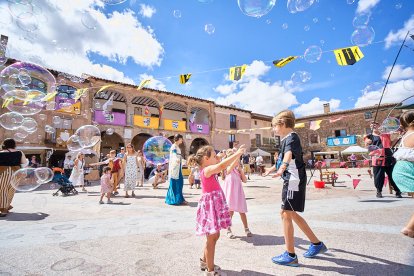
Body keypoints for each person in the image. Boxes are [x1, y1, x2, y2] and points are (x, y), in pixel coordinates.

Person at [264, 110, 327, 266]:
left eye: (274, 126)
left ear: (283, 124)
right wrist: (272, 169)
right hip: (292, 179)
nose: (273, 130)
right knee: (289, 213)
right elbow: (281, 158)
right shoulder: (286, 139)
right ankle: (316, 244)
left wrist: (281, 169)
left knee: (286, 213)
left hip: (293, 180)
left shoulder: (292, 138)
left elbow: (288, 155)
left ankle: (291, 255)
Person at [189, 144, 246, 275]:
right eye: (213, 156)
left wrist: (220, 156)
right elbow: (221, 166)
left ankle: (205, 261)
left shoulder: (208, 167)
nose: (217, 157)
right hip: (210, 206)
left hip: (215, 204)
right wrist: (237, 154)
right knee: (212, 238)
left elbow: (220, 162)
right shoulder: (207, 170)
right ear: (206, 158)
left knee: (215, 235)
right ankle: (210, 271)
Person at [364, 121, 402, 198]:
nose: (373, 125)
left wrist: (398, 137)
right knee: (378, 176)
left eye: (375, 124)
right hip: (377, 158)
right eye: (371, 124)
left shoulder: (386, 134)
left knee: (393, 175)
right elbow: (367, 147)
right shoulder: (368, 136)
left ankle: (397, 191)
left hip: (389, 157)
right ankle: (379, 191)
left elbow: (390, 144)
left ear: (379, 125)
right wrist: (367, 143)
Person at [392, 111, 414, 238]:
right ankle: (409, 229)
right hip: (407, 170)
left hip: (403, 169)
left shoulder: (407, 134)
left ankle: (411, 229)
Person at [223, 149, 252, 239]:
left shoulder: (237, 169)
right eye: (234, 158)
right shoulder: (227, 168)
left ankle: (246, 228)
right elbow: (229, 168)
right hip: (230, 192)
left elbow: (245, 180)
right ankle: (228, 230)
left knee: (242, 211)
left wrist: (241, 170)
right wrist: (237, 155)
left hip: (238, 192)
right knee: (230, 211)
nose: (237, 160)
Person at [0, 138, 28, 217]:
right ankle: (6, 205)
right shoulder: (19, 152)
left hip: (3, 173)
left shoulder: (0, 153)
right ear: (14, 144)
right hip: (16, 173)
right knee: (11, 190)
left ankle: (3, 209)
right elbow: (24, 163)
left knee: (3, 190)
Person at [165, 134, 187, 205]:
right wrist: (177, 159)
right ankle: (173, 199)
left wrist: (183, 161)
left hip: (178, 167)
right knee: (175, 183)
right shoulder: (173, 146)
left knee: (180, 183)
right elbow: (174, 155)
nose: (182, 140)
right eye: (181, 139)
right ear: (179, 138)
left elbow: (178, 156)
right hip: (175, 168)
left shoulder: (177, 146)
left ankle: (179, 199)